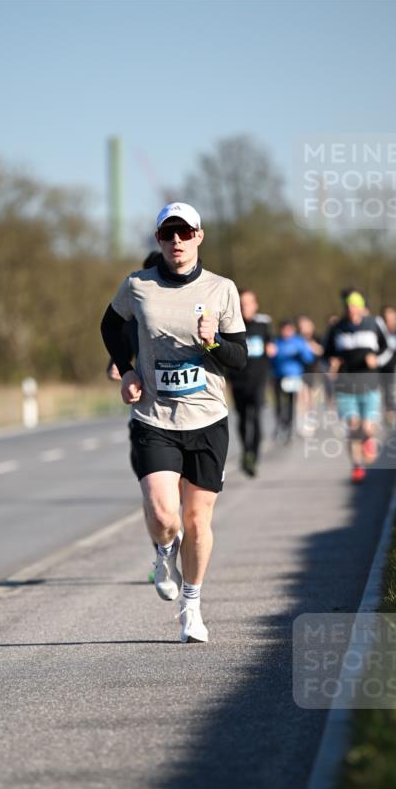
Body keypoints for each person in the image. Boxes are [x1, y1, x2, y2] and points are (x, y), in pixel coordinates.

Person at [100, 202, 246, 643]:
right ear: (158, 239)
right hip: (155, 417)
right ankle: (164, 552)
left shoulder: (222, 289)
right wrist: (126, 369)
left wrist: (212, 342)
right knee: (165, 514)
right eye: (168, 234)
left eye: (185, 233)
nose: (177, 241)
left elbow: (239, 361)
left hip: (207, 419)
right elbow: (109, 326)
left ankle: (192, 609)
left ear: (199, 236)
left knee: (198, 520)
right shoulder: (138, 286)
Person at [324, 291, 393, 482]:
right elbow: (325, 354)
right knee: (353, 426)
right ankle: (357, 466)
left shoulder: (374, 323)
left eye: (355, 305)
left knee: (367, 427)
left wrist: (376, 360)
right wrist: (332, 363)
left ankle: (369, 440)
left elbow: (388, 348)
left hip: (369, 384)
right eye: (348, 306)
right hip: (345, 385)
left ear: (362, 307)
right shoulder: (337, 327)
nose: (351, 309)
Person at [227, 289, 272, 476]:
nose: (245, 306)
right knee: (243, 418)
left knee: (256, 417)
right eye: (242, 303)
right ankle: (246, 451)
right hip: (238, 380)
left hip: (258, 379)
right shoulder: (230, 326)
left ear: (255, 305)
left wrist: (272, 349)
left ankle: (254, 454)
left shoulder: (263, 326)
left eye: (248, 303)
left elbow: (270, 345)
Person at [106, 251, 162, 381]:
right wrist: (119, 367)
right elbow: (121, 350)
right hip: (148, 394)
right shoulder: (133, 319)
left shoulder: (192, 307)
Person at [268, 319, 316, 443]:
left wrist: (300, 354)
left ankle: (289, 427)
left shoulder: (299, 342)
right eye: (284, 330)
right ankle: (280, 424)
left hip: (294, 377)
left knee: (291, 403)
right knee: (279, 403)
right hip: (279, 376)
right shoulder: (277, 342)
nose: (286, 333)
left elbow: (309, 358)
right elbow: (271, 359)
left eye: (288, 330)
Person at [379, 304, 396, 426]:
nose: (390, 322)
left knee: (394, 390)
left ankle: (393, 413)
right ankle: (387, 412)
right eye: (387, 319)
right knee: (384, 391)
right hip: (381, 368)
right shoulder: (379, 334)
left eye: (392, 318)